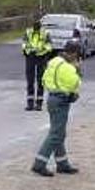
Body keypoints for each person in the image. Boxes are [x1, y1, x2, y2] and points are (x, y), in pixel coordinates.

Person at [31, 40, 82, 177]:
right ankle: (39, 163)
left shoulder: (54, 62)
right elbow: (75, 82)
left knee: (58, 132)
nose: (77, 58)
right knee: (56, 134)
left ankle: (62, 164)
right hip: (61, 100)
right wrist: (78, 70)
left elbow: (43, 79)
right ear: (73, 53)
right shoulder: (68, 67)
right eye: (77, 55)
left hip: (52, 98)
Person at [22, 20, 52, 111]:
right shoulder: (28, 32)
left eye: (37, 25)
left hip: (41, 57)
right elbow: (24, 43)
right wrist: (26, 51)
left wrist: (44, 51)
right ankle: (30, 103)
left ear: (40, 25)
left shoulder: (45, 33)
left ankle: (39, 103)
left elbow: (49, 45)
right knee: (30, 80)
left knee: (40, 80)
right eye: (34, 24)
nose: (36, 26)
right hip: (30, 57)